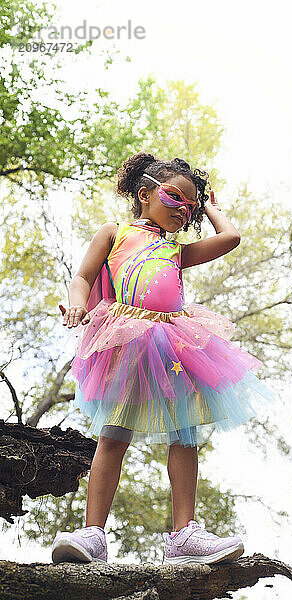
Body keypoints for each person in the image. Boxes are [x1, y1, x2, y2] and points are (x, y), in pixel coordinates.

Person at [51, 152, 276, 566]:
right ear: (144, 194)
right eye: (175, 197)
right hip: (126, 339)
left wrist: (210, 205)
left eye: (190, 206)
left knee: (184, 433)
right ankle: (94, 534)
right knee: (113, 435)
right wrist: (77, 304)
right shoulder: (114, 232)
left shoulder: (176, 248)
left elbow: (230, 238)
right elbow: (83, 276)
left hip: (174, 344)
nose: (184, 209)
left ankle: (183, 535)